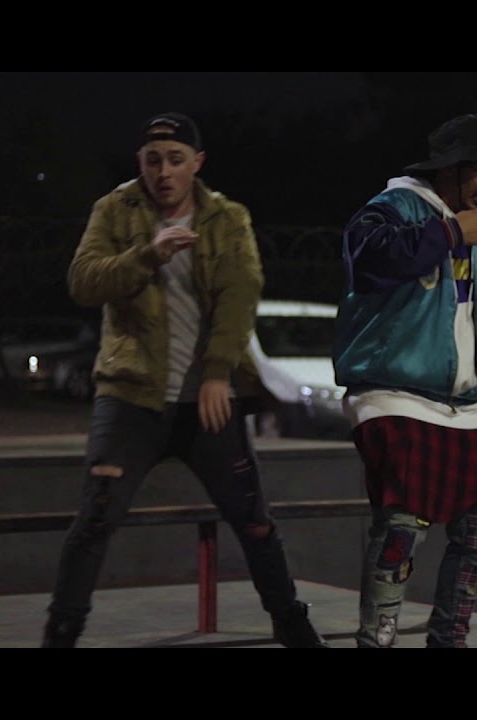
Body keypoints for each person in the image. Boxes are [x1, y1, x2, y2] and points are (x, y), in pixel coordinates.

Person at [41, 112, 329, 648]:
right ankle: (59, 634)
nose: (164, 172)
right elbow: (83, 281)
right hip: (132, 395)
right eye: (153, 161)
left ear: (197, 163)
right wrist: (147, 255)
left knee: (255, 522)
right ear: (140, 163)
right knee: (96, 517)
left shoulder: (227, 218)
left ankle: (294, 627)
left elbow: (240, 297)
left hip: (208, 403)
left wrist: (218, 373)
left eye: (175, 160)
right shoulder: (115, 209)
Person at [332, 113, 477, 648]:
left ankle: (448, 639)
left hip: (462, 405)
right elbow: (367, 260)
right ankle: (378, 638)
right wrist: (448, 233)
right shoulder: (392, 207)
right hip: (392, 393)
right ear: (449, 169)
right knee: (404, 521)